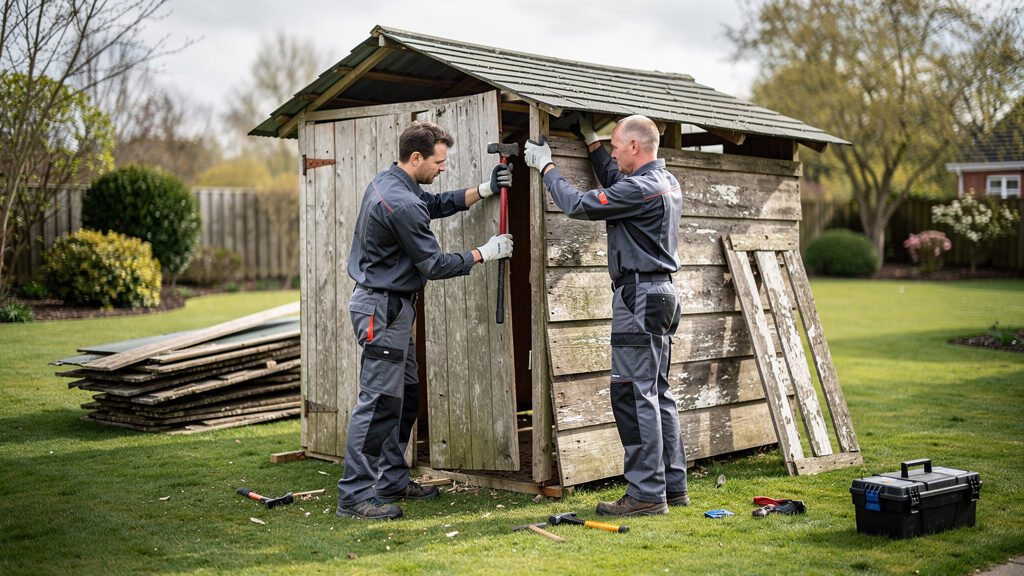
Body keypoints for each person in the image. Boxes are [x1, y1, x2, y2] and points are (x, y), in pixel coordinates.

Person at [337, 121, 513, 520]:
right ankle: (353, 496)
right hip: (380, 310)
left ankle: (392, 480)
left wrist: (483, 190)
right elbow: (433, 264)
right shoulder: (400, 203)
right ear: (416, 158)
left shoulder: (392, 181)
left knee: (405, 396)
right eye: (439, 161)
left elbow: (432, 205)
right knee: (379, 401)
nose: (443, 168)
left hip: (393, 310)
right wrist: (484, 252)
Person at [523, 114, 688, 517]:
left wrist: (545, 165)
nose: (613, 152)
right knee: (657, 392)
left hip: (638, 297)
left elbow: (580, 205)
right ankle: (671, 485)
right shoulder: (663, 181)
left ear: (635, 146)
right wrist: (591, 140)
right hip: (661, 293)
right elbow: (616, 180)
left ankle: (646, 495)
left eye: (616, 145)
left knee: (633, 394)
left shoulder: (642, 188)